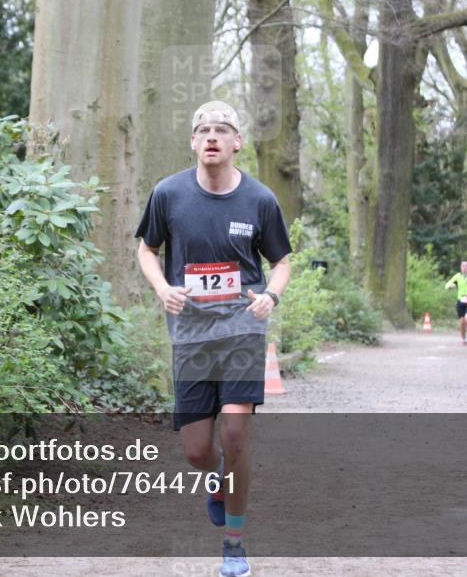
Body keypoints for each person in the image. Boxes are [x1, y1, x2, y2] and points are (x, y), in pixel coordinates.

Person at [135, 100, 292, 577]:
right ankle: (219, 479)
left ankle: (234, 544)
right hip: (191, 336)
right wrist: (163, 288)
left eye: (222, 130)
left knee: (236, 435)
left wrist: (271, 296)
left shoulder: (260, 199)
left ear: (237, 142)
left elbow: (282, 262)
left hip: (243, 330)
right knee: (197, 450)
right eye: (203, 130)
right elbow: (146, 249)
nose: (211, 137)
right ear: (192, 142)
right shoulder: (168, 194)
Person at [444, 260, 467, 346]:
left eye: (466, 266)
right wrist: (450, 286)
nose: (464, 267)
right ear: (460, 267)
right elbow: (447, 285)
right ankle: (463, 340)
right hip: (460, 301)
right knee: (462, 322)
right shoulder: (457, 276)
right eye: (463, 266)